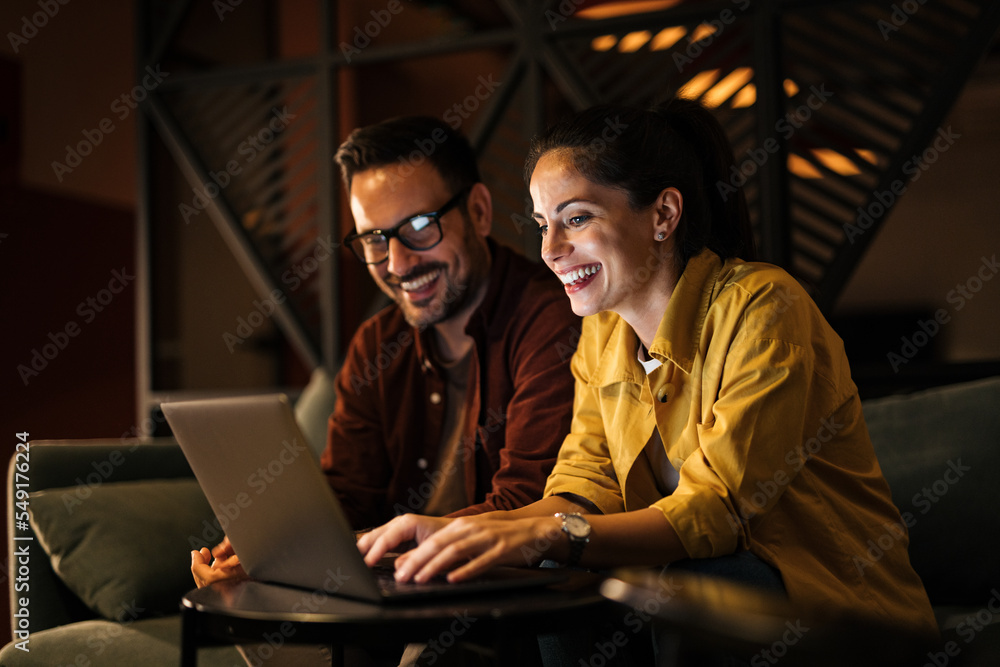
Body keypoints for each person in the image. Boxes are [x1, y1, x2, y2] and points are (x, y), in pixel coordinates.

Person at [357, 99, 939, 653]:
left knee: (706, 574)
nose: (550, 250)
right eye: (542, 225)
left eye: (576, 218)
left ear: (663, 214)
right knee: (555, 569)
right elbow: (582, 487)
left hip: (842, 620)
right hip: (710, 598)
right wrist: (456, 532)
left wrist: (554, 534)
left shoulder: (765, 307)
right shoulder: (602, 331)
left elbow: (719, 512)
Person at [191, 116, 580, 665]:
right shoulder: (378, 344)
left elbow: (528, 506)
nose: (397, 264)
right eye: (375, 238)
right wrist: (269, 550)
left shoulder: (551, 321)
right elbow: (347, 497)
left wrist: (374, 549)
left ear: (479, 211)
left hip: (502, 615)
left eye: (420, 226)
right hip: (387, 607)